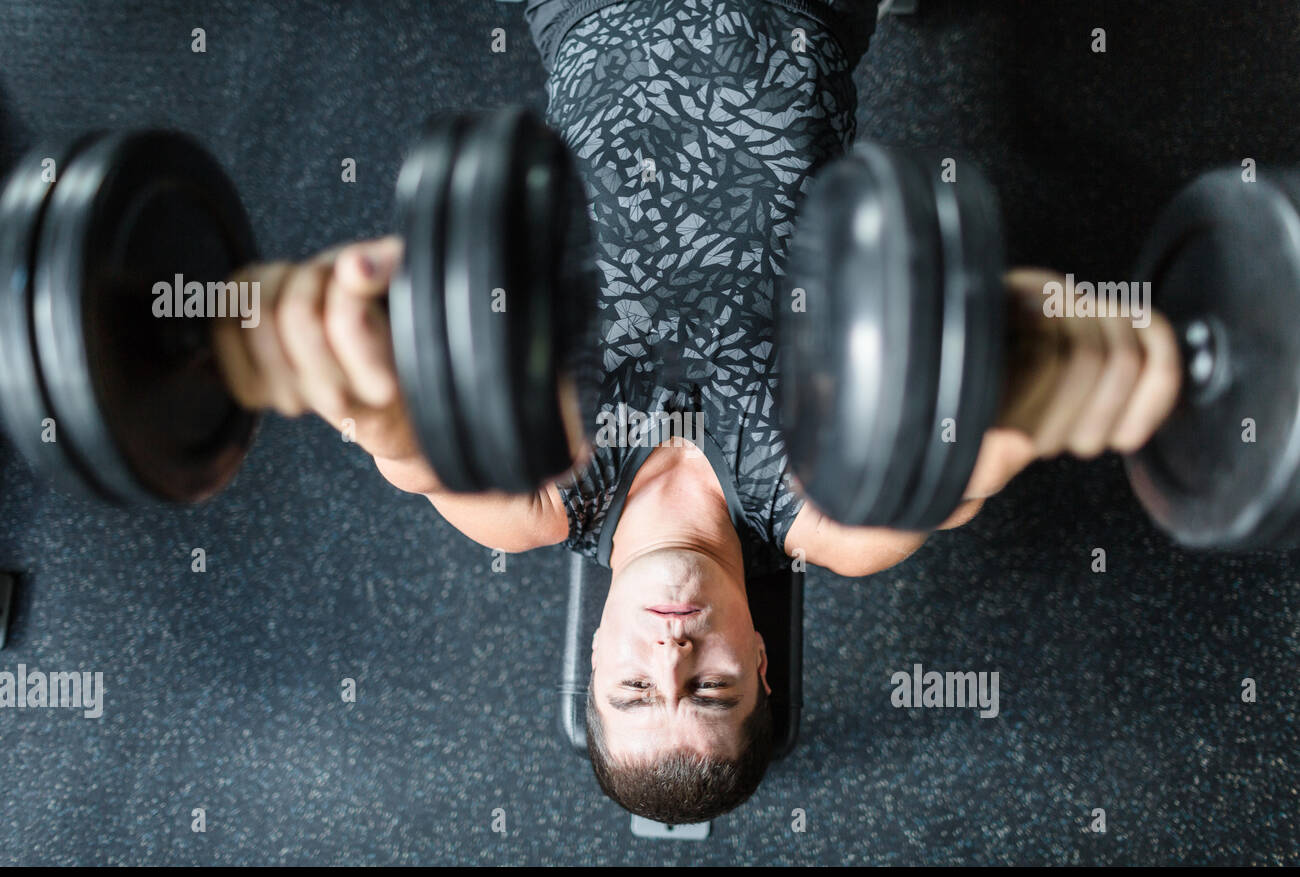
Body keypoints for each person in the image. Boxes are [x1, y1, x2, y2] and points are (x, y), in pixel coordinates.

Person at [214, 0, 1182, 824]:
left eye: (633, 685)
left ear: (592, 657)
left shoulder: (541, 497)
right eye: (709, 687)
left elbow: (406, 438)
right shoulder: (826, 508)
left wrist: (333, 361)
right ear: (761, 660)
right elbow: (966, 451)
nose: (670, 652)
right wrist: (1056, 381)